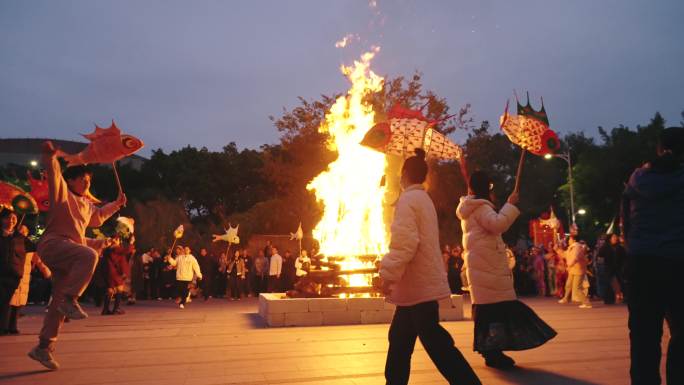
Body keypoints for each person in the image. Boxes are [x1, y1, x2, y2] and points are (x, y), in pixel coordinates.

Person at [380, 149, 481, 385]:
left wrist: (387, 274)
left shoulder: (408, 200)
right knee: (399, 338)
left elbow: (405, 243)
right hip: (416, 287)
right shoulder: (423, 199)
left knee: (436, 343)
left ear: (404, 173)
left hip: (418, 286)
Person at [29, 141, 125, 370]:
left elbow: (97, 219)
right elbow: (54, 175)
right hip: (53, 245)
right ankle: (70, 299)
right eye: (82, 178)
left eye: (89, 180)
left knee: (57, 308)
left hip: (68, 251)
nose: (86, 182)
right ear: (70, 180)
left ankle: (43, 347)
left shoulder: (86, 205)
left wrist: (117, 205)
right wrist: (49, 157)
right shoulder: (62, 194)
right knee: (88, 256)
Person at [456, 170, 556, 369]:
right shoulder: (480, 207)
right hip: (489, 268)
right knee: (499, 310)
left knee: (489, 312)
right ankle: (492, 352)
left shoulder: (470, 207)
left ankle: (491, 351)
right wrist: (510, 204)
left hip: (482, 268)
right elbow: (498, 224)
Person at [622, 127, 684, 385]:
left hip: (642, 265)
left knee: (644, 338)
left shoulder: (636, 180)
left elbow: (626, 224)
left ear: (659, 148)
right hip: (679, 265)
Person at [8, 225, 51, 334]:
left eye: (24, 231)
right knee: (10, 302)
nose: (22, 232)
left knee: (19, 303)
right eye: (20, 230)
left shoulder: (28, 245)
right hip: (13, 275)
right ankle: (7, 325)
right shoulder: (11, 242)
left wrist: (46, 271)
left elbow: (38, 259)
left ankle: (13, 326)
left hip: (24, 277)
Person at [1, 209, 28, 335]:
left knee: (6, 301)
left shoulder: (20, 237)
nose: (11, 221)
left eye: (14, 218)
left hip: (13, 274)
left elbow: (34, 249)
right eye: (8, 218)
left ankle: (4, 327)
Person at [557, 237, 592, 308]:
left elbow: (575, 257)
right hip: (573, 269)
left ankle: (587, 303)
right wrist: (557, 249)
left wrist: (570, 264)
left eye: (569, 239)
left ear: (574, 240)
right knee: (568, 284)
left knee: (577, 287)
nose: (568, 241)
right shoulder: (571, 247)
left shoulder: (577, 247)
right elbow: (565, 255)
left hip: (578, 270)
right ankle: (566, 298)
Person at [102, 235, 132, 315]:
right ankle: (116, 309)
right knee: (119, 289)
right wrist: (131, 242)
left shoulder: (107, 249)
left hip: (108, 271)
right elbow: (127, 250)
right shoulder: (115, 248)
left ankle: (105, 309)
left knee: (110, 290)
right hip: (115, 272)